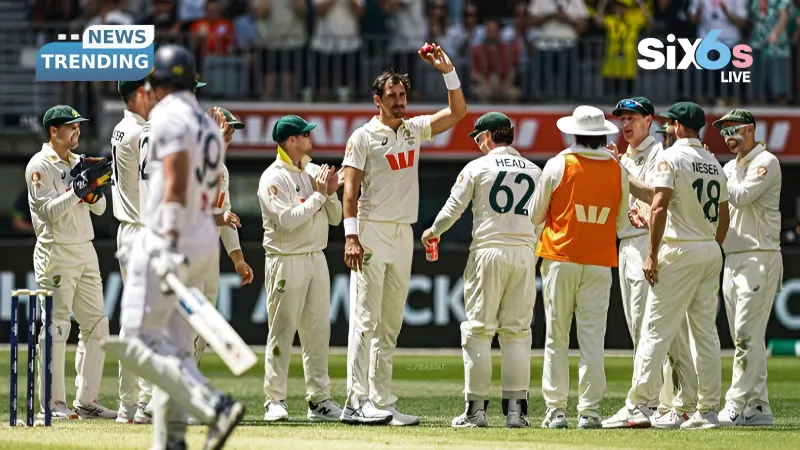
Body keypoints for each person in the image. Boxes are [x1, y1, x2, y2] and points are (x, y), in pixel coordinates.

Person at [102, 44, 245, 450]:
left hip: (169, 233)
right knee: (179, 344)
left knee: (136, 337)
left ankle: (213, 404)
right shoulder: (209, 128)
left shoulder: (164, 118)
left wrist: (164, 239)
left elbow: (175, 181)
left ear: (158, 85)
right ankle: (172, 438)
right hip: (203, 237)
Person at [340, 43, 467, 425]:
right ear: (376, 100)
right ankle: (354, 400)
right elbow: (350, 191)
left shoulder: (413, 130)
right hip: (372, 231)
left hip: (402, 234)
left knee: (390, 323)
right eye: (392, 96)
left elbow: (458, 112)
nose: (399, 101)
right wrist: (351, 237)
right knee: (365, 318)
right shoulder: (362, 137)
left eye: (403, 95)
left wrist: (448, 70)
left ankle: (381, 399)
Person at [603, 102, 729, 429]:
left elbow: (658, 207)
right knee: (705, 334)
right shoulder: (712, 162)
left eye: (669, 125)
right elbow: (725, 214)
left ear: (675, 125)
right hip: (708, 250)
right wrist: (711, 245)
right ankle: (706, 410)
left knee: (654, 330)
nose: (667, 130)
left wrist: (652, 254)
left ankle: (638, 405)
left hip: (680, 250)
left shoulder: (670, 157)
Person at [421, 112, 542, 429]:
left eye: (478, 138)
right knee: (517, 333)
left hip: (488, 252)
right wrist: (532, 250)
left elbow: (452, 209)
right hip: (524, 253)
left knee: (478, 331)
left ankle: (476, 412)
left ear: (489, 136)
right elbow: (544, 219)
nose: (477, 145)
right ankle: (516, 412)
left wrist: (433, 232)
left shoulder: (478, 167)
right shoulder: (535, 170)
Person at [529, 105, 629, 429]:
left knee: (556, 336)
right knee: (592, 339)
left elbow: (534, 214)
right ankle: (589, 412)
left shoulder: (560, 163)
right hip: (600, 261)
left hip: (561, 257)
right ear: (602, 135)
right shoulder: (618, 168)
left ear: (574, 132)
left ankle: (556, 411)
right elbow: (623, 218)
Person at [611, 97, 698, 428]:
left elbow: (655, 197)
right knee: (645, 330)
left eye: (632, 117)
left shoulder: (659, 154)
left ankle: (657, 404)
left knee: (656, 330)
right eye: (622, 119)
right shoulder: (629, 154)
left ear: (649, 120)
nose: (625, 124)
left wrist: (618, 170)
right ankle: (670, 403)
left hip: (647, 245)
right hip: (627, 244)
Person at [25, 105, 115, 420]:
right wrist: (78, 191)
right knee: (56, 327)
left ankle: (86, 401)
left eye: (79, 127)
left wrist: (93, 192)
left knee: (97, 324)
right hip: (55, 251)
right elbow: (49, 212)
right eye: (71, 127)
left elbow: (102, 209)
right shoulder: (39, 165)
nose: (77, 132)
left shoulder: (79, 161)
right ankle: (53, 404)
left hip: (85, 249)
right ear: (54, 131)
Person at [258, 115, 343, 423]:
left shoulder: (310, 172)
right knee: (281, 332)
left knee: (319, 332)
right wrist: (320, 195)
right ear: (291, 140)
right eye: (306, 135)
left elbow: (335, 218)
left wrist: (330, 192)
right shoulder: (273, 177)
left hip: (316, 258)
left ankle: (319, 400)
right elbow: (288, 221)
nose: (311, 139)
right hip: (285, 259)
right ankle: (274, 400)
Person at [714, 110, 782, 427]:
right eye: (725, 131)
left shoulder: (766, 161)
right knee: (744, 337)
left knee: (745, 336)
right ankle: (759, 407)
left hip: (760, 256)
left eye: (735, 130)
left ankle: (735, 404)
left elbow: (739, 197)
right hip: (733, 258)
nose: (729, 137)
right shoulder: (729, 167)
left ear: (751, 129)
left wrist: (713, 172)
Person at [111, 79, 157, 425]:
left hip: (128, 230)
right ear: (138, 95)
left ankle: (130, 404)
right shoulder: (143, 132)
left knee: (133, 319)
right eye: (150, 91)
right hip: (143, 229)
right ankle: (145, 402)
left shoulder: (121, 128)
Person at [196, 106, 254, 365]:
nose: (229, 135)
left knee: (203, 327)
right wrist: (220, 218)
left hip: (208, 255)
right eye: (225, 129)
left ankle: (187, 388)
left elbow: (226, 214)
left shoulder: (222, 170)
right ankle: (158, 396)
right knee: (184, 324)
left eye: (230, 131)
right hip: (186, 253)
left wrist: (238, 259)